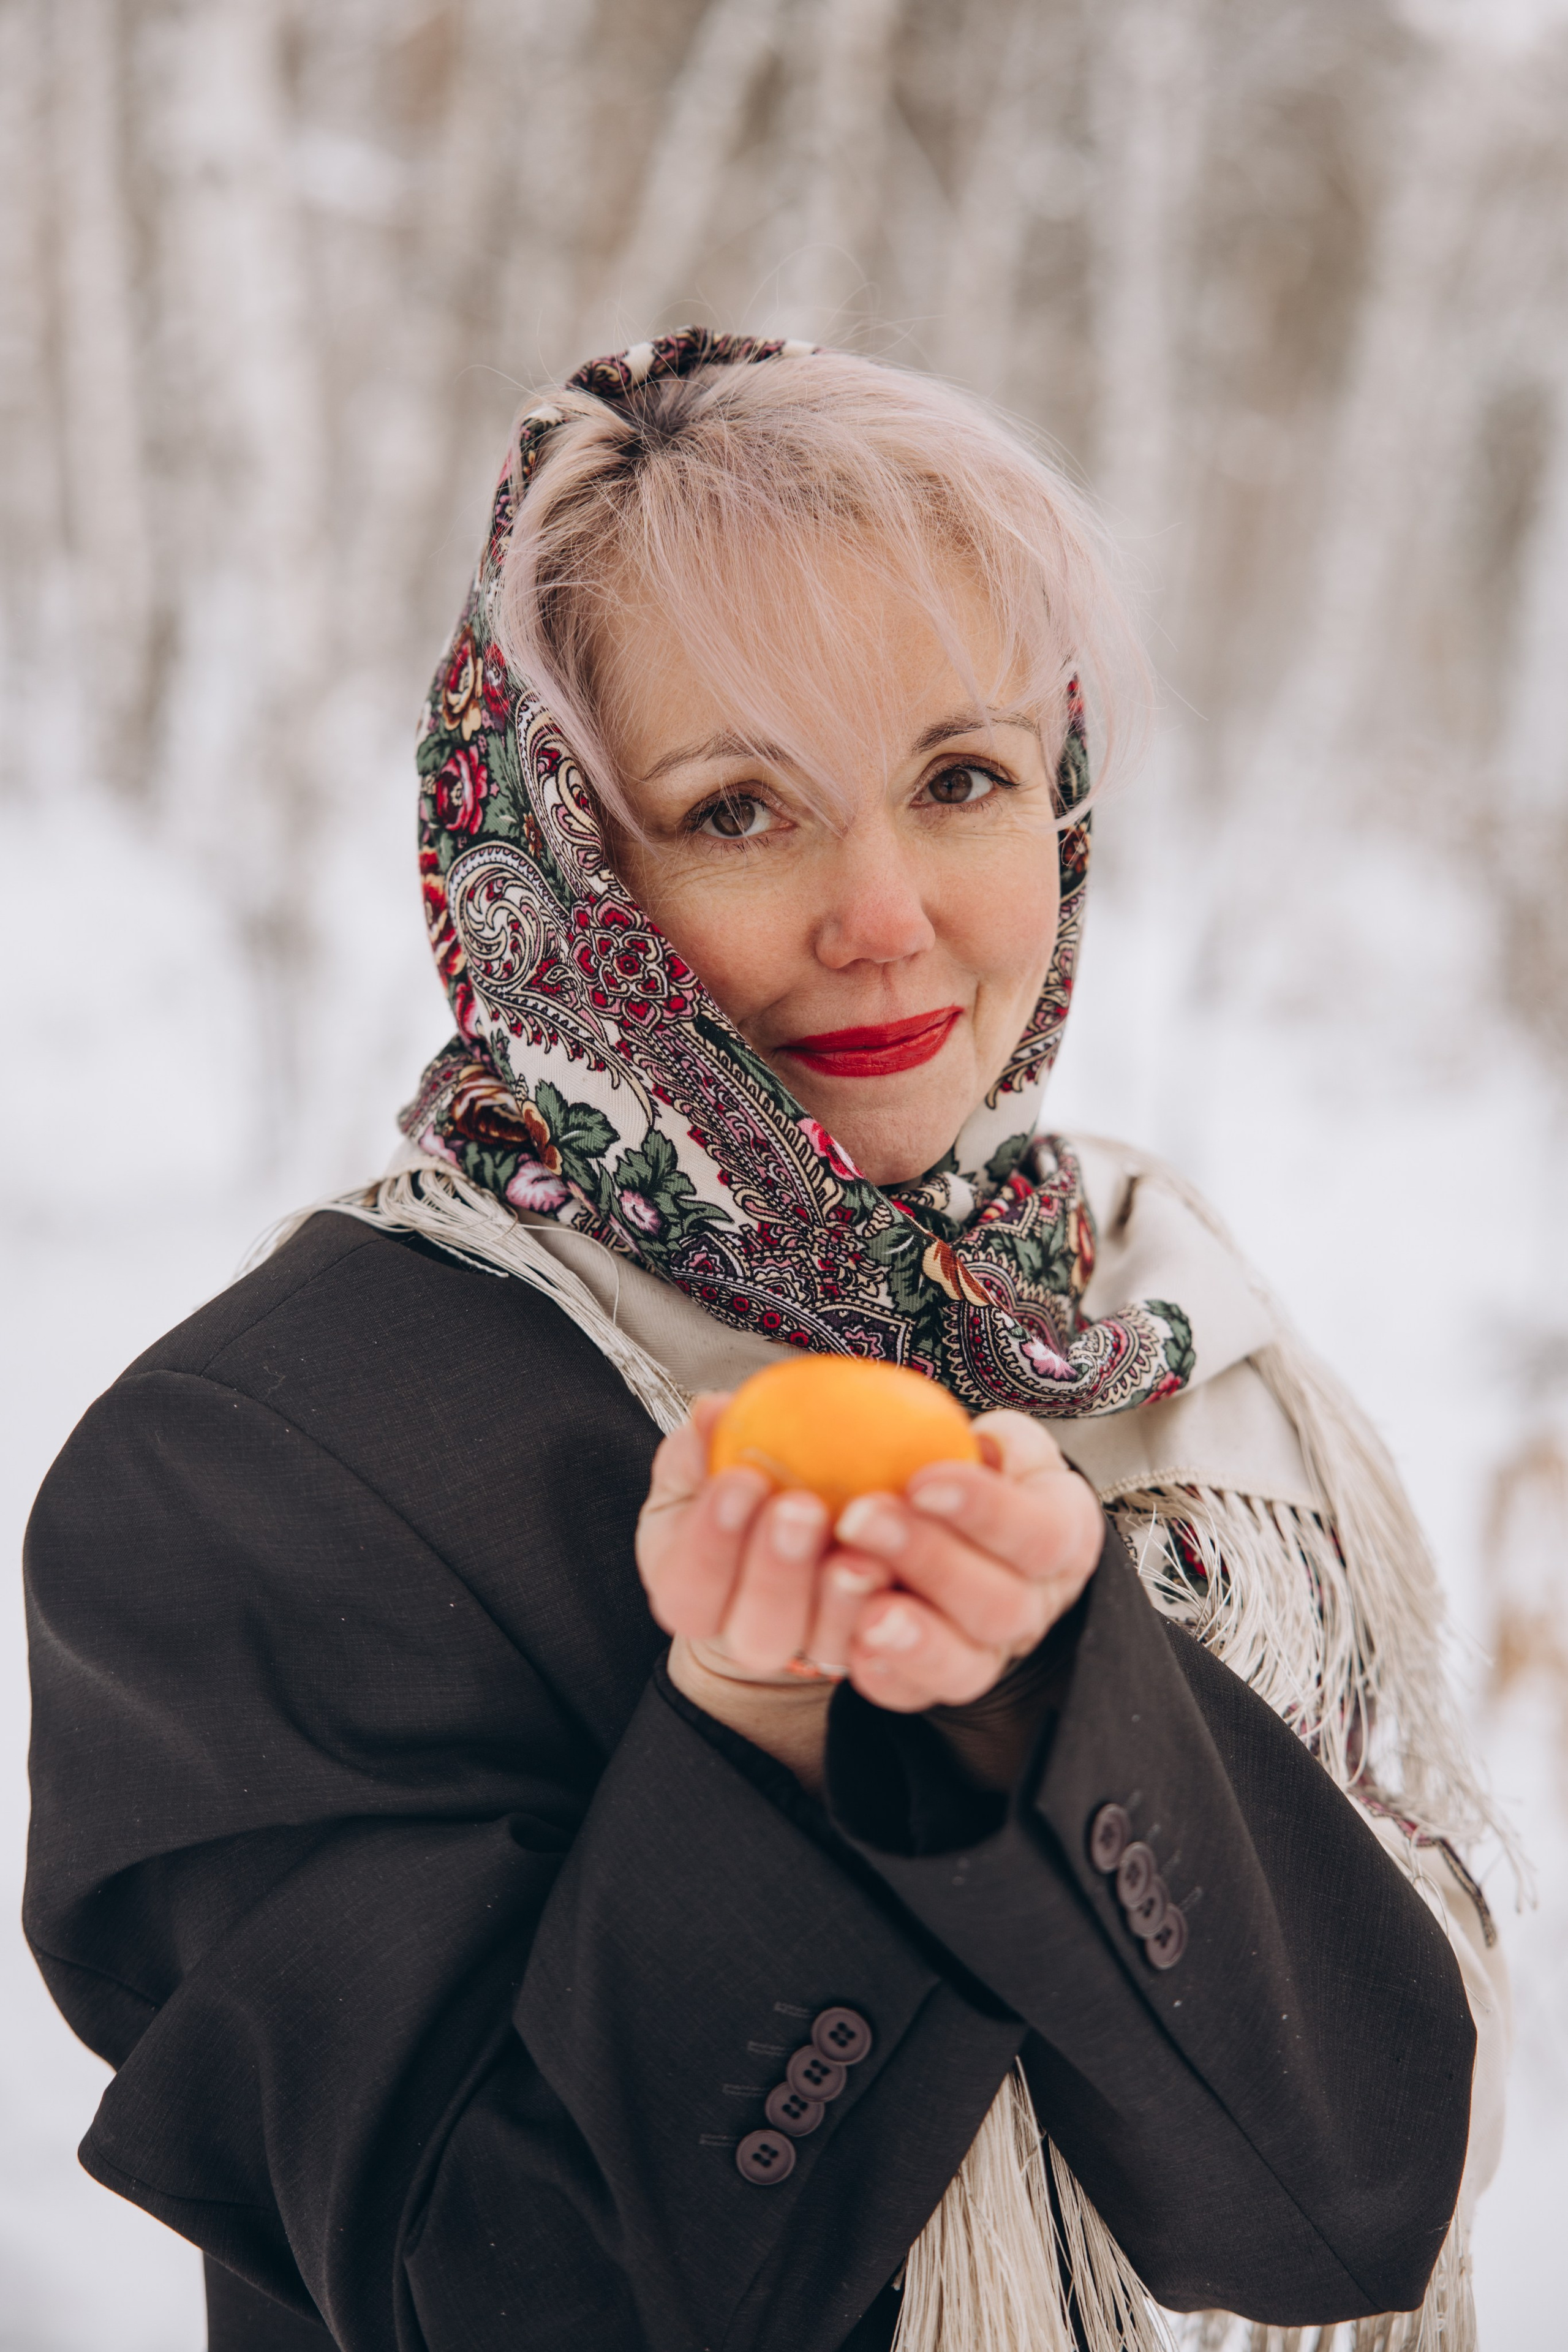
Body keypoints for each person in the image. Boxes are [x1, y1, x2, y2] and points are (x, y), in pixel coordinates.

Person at [24, 331, 1509, 2352]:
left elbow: (1357, 2208)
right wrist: (773, 1747)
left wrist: (1060, 1707)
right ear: (557, 852)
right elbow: (491, 2298)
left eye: (961, 778)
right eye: (738, 809)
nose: (885, 914)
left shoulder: (1148, 1322)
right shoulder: (263, 1461)